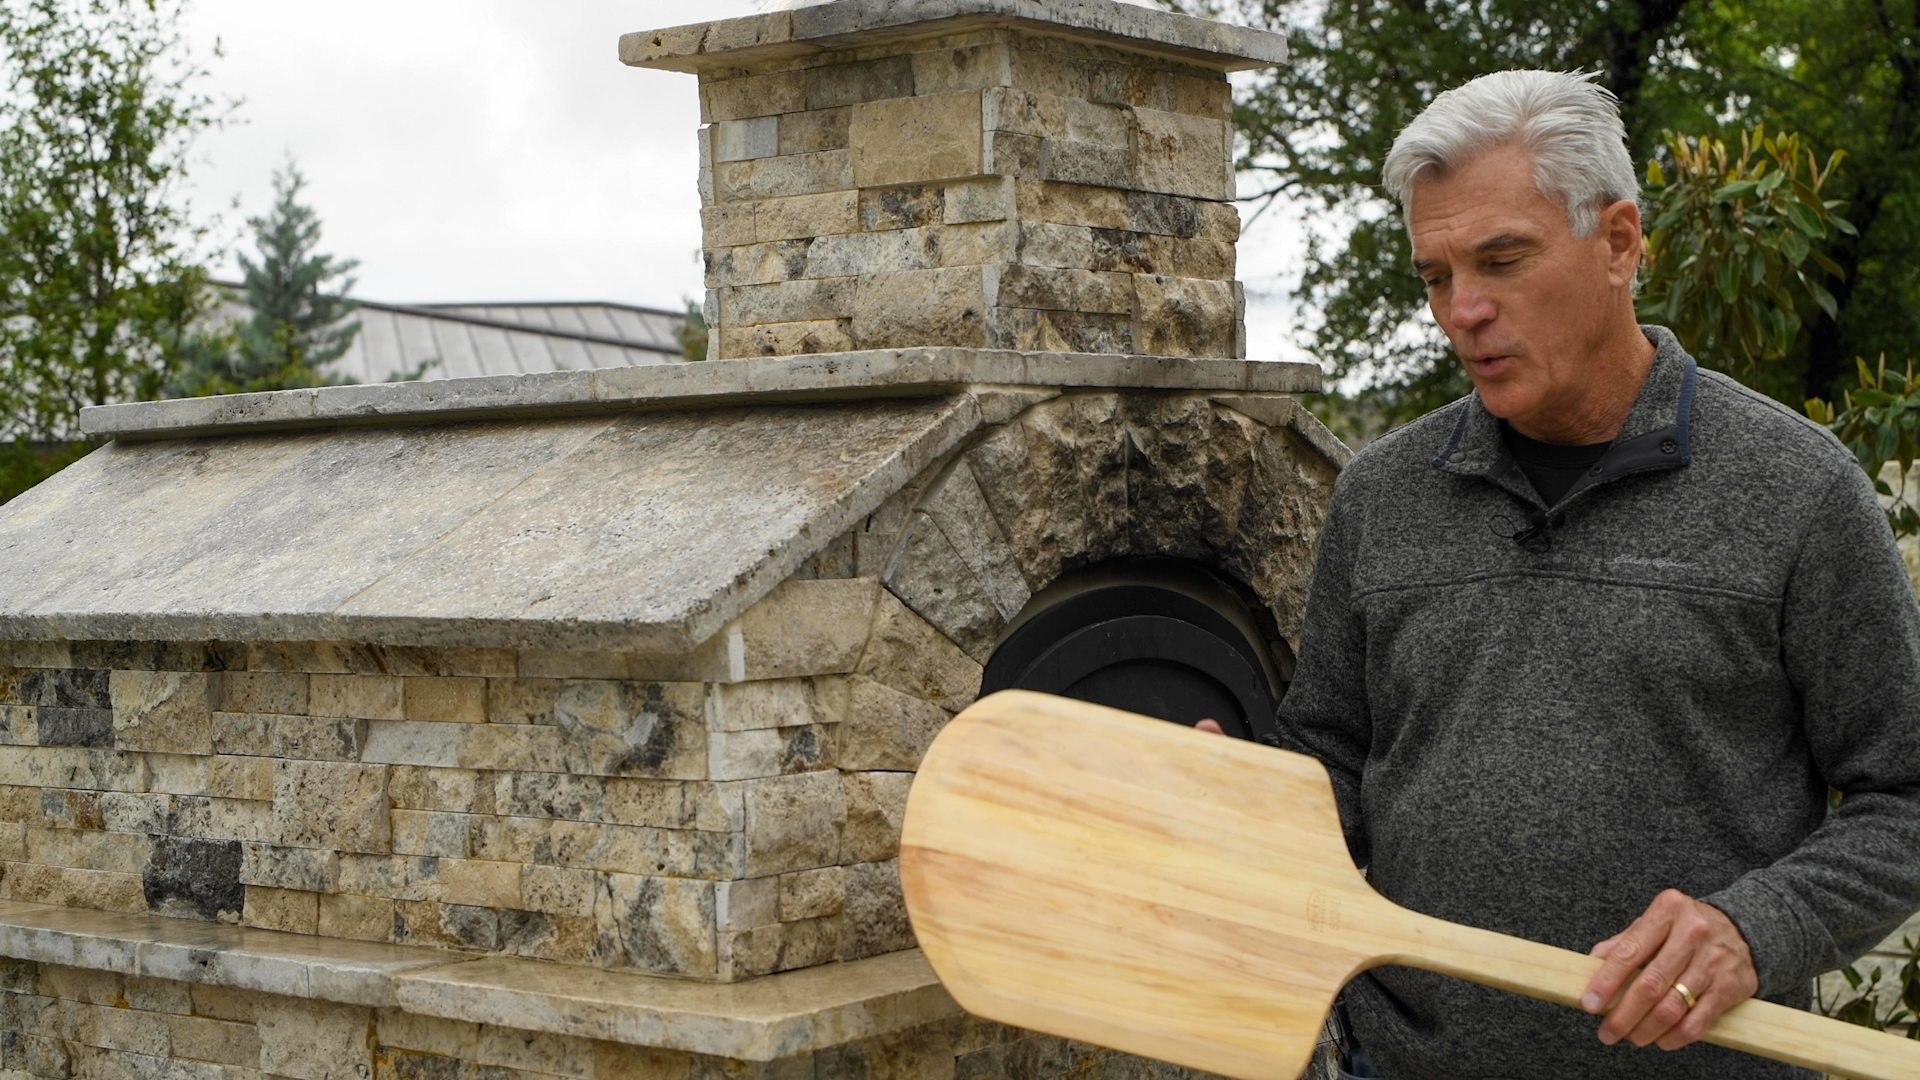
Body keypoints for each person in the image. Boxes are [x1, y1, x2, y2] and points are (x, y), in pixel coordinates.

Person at [1203, 70, 1920, 1078]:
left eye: (1502, 260)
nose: (1463, 310)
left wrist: (1755, 927)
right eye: (1436, 276)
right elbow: (1334, 756)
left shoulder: (1798, 490)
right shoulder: (1382, 494)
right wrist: (1243, 805)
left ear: (1619, 242)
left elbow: (1905, 796)